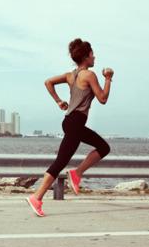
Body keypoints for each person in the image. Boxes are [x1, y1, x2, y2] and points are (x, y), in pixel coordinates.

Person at [26, 38, 114, 217]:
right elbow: (103, 98)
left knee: (94, 150)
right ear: (86, 57)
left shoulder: (70, 75)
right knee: (67, 159)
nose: (94, 57)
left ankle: (73, 175)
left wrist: (59, 101)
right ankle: (40, 195)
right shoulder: (89, 75)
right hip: (75, 123)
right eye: (92, 54)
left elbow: (48, 82)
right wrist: (108, 79)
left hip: (70, 122)